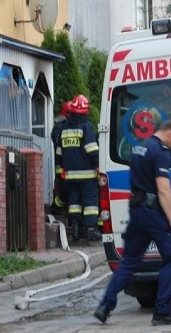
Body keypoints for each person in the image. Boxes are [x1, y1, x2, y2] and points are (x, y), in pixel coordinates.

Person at [94, 119, 171, 327]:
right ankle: (163, 312)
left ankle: (105, 306)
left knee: (129, 261)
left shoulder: (140, 148)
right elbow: (163, 189)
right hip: (154, 212)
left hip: (136, 211)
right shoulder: (161, 152)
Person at [55, 94, 102, 241]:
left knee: (74, 200)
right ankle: (89, 229)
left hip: (69, 174)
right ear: (86, 110)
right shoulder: (86, 127)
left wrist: (62, 168)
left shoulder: (65, 128)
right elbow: (92, 149)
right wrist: (98, 164)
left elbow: (59, 152)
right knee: (90, 201)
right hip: (87, 174)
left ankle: (75, 225)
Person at [50, 101, 70, 216]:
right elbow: (57, 141)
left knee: (68, 191)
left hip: (68, 164)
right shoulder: (59, 126)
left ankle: (61, 210)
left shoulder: (67, 125)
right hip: (61, 166)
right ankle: (55, 209)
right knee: (64, 191)